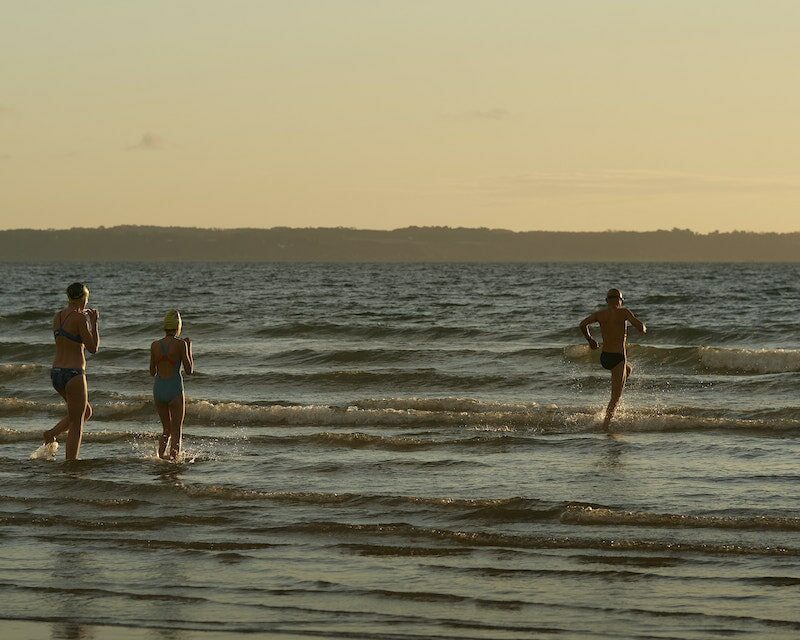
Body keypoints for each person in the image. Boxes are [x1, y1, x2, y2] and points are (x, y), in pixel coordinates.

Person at [44, 282, 100, 460]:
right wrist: (94, 323)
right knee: (77, 422)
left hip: (57, 373)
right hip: (74, 374)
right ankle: (71, 464)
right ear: (83, 298)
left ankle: (51, 433)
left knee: (85, 412)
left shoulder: (57, 316)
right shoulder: (80, 318)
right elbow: (93, 348)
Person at [579, 288, 646, 430]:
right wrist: (643, 328)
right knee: (615, 397)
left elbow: (582, 324)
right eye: (621, 299)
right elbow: (640, 327)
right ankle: (605, 426)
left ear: (607, 300)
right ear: (620, 300)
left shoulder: (600, 314)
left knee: (629, 369)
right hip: (618, 358)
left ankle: (609, 415)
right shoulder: (624, 312)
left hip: (605, 357)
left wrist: (590, 340)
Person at [150, 309, 193, 460]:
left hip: (159, 389)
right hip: (174, 388)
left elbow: (151, 371)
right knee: (176, 430)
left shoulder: (155, 345)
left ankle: (160, 457)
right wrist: (189, 348)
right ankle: (174, 461)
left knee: (166, 429)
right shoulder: (181, 344)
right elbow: (189, 370)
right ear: (178, 327)